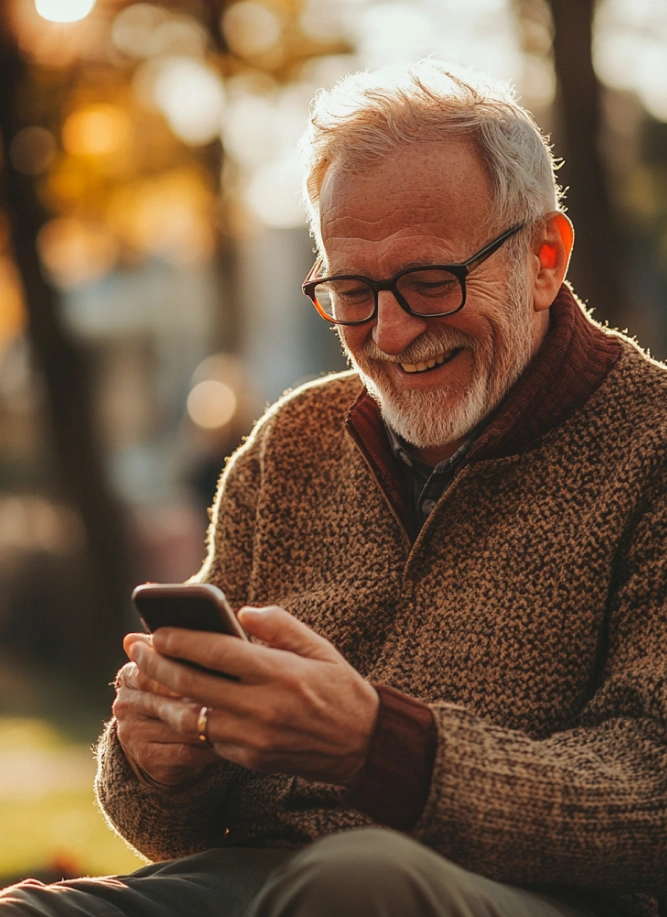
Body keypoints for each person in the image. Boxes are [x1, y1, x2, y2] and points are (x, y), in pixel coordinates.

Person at [2, 59, 666, 917]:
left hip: (540, 897)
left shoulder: (650, 448)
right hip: (263, 882)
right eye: (352, 291)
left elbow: (651, 790)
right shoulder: (290, 445)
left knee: (353, 882)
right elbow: (169, 828)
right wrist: (162, 760)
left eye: (431, 280)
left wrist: (375, 746)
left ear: (544, 257)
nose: (389, 333)